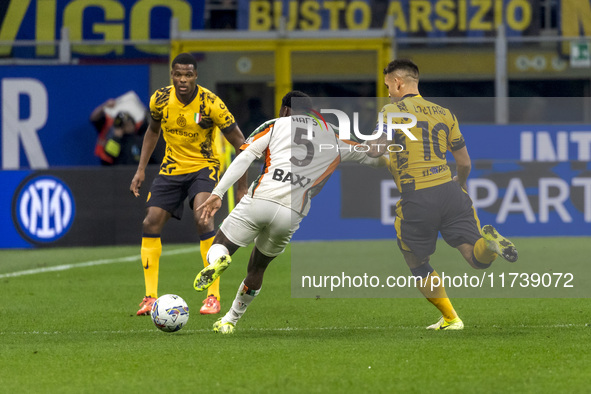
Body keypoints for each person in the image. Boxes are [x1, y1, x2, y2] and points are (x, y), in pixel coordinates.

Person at [192, 91, 387, 334]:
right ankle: (230, 320)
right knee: (257, 268)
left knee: (219, 243)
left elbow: (245, 156)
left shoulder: (275, 124)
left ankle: (219, 259)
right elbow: (373, 158)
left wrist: (218, 193)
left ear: (285, 109)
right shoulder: (333, 134)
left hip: (260, 200)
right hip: (291, 213)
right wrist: (392, 156)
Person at [368, 59, 518, 330]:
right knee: (475, 257)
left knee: (416, 260)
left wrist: (358, 145)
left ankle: (451, 318)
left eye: (388, 85)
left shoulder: (391, 110)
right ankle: (491, 247)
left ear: (399, 82)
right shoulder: (444, 113)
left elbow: (376, 149)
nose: (388, 91)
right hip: (450, 192)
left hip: (417, 198)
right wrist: (459, 186)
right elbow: (464, 163)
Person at [130, 52, 248, 316]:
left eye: (188, 75)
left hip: (203, 167)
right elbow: (152, 130)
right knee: (150, 222)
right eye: (178, 74)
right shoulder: (160, 99)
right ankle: (150, 298)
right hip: (171, 168)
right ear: (171, 75)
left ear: (196, 76)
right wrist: (140, 170)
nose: (182, 80)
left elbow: (242, 145)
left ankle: (213, 297)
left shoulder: (211, 104)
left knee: (203, 219)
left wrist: (241, 187)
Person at [90, 100, 146, 165]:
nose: (127, 126)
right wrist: (117, 137)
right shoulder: (116, 141)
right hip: (118, 173)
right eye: (124, 125)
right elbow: (110, 154)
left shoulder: (140, 140)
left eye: (129, 123)